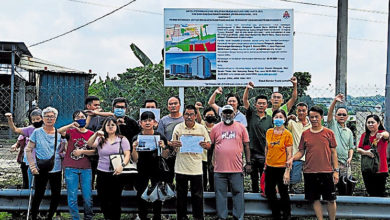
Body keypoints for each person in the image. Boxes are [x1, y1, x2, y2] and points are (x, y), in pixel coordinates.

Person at [287, 106, 339, 220]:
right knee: (314, 199)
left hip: (327, 171)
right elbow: (301, 152)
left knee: (330, 199)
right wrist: (292, 158)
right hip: (310, 172)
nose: (314, 119)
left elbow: (333, 152)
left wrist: (336, 171)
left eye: (316, 117)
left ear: (321, 117)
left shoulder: (329, 133)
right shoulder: (305, 134)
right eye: (311, 117)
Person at [87, 117, 137, 220]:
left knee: (115, 200)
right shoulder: (100, 139)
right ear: (104, 127)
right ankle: (107, 217)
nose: (110, 127)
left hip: (116, 173)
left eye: (113, 125)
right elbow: (90, 144)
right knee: (103, 199)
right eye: (108, 125)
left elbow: (127, 154)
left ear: (116, 127)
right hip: (102, 172)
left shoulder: (122, 139)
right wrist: (96, 134)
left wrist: (122, 166)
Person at [210, 105, 251, 220]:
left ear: (234, 114)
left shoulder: (241, 127)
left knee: (238, 194)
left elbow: (247, 146)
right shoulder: (215, 128)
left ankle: (238, 217)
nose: (227, 114)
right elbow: (211, 147)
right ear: (221, 114)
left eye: (230, 112)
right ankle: (222, 217)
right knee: (220, 195)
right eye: (225, 112)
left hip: (236, 169)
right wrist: (210, 163)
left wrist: (248, 163)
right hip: (219, 169)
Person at [171, 104, 211, 220]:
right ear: (183, 115)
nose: (189, 117)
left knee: (197, 196)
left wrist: (205, 145)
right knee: (181, 196)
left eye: (191, 114)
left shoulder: (201, 128)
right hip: (180, 167)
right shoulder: (178, 128)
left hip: (196, 168)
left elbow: (209, 144)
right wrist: (174, 144)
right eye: (187, 114)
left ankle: (198, 217)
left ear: (195, 116)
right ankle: (182, 217)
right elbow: (173, 146)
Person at [25, 107, 64, 220]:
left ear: (55, 119)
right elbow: (29, 149)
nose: (49, 119)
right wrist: (32, 166)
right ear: (42, 118)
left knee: (56, 194)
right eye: (47, 116)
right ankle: (34, 216)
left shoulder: (59, 133)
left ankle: (50, 216)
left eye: (52, 117)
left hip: (56, 168)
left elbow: (62, 150)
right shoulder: (37, 132)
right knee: (38, 194)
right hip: (41, 167)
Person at [59, 110, 95, 220]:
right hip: (70, 167)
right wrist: (71, 125)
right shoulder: (71, 132)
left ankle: (88, 217)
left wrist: (82, 152)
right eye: (77, 117)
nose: (80, 118)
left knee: (87, 196)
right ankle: (75, 218)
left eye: (82, 116)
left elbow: (95, 151)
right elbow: (59, 131)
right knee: (72, 195)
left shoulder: (91, 134)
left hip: (86, 167)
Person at [133, 111, 168, 220]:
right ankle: (143, 216)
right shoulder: (136, 137)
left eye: (150, 120)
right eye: (144, 120)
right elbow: (134, 159)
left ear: (155, 122)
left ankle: (157, 216)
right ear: (140, 123)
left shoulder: (160, 136)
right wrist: (134, 148)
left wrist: (164, 147)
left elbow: (165, 156)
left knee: (157, 193)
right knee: (141, 193)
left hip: (156, 169)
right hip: (141, 169)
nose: (147, 123)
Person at [243, 82, 273, 193]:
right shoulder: (251, 114)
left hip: (265, 153)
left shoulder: (270, 119)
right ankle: (255, 197)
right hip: (252, 153)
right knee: (254, 179)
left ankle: (265, 197)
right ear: (255, 104)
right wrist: (247, 89)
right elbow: (245, 101)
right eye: (259, 103)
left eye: (263, 103)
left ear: (267, 105)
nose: (261, 105)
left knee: (265, 178)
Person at [265, 109, 293, 220]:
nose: (278, 119)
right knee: (269, 191)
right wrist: (265, 164)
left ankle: (287, 215)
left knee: (283, 192)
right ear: (272, 119)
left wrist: (287, 171)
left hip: (282, 168)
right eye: (276, 117)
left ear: (285, 119)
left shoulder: (287, 134)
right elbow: (267, 148)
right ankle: (276, 214)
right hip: (270, 167)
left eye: (281, 117)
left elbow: (289, 154)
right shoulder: (269, 132)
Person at [5, 108, 43, 189]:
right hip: (32, 160)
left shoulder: (47, 129)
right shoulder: (30, 129)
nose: (36, 121)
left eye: (38, 119)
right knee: (31, 182)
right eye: (33, 120)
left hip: (44, 160)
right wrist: (10, 119)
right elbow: (15, 129)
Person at [327, 94, 355, 194]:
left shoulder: (349, 131)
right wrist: (335, 101)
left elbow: (351, 147)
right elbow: (329, 113)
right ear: (336, 116)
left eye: (344, 114)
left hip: (345, 164)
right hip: (332, 163)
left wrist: (350, 157)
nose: (342, 116)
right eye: (339, 114)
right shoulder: (332, 125)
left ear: (347, 116)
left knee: (345, 187)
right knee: (332, 188)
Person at [111, 97, 141, 190]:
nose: (120, 109)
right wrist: (115, 125)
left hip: (128, 159)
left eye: (122, 107)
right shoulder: (107, 122)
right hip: (111, 158)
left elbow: (138, 137)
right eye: (117, 107)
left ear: (126, 109)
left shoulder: (132, 123)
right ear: (113, 108)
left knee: (129, 185)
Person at [357, 115, 389, 197]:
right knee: (371, 192)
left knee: (380, 193)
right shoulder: (364, 135)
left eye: (373, 122)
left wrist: (381, 135)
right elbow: (358, 149)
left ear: (378, 123)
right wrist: (366, 152)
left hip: (380, 169)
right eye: (368, 122)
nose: (370, 124)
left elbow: (387, 135)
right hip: (368, 169)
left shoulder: (381, 134)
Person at [157, 96, 184, 185]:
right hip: (168, 153)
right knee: (168, 179)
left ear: (180, 105)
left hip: (183, 153)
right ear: (168, 106)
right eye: (170, 104)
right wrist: (169, 143)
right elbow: (159, 136)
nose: (173, 106)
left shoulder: (185, 119)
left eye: (175, 103)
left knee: (182, 179)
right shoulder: (163, 120)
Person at [286, 102, 311, 193]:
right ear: (296, 111)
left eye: (303, 110)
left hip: (309, 157)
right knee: (294, 180)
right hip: (296, 156)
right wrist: (288, 118)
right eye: (299, 110)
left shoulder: (311, 124)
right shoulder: (292, 123)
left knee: (309, 180)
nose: (301, 113)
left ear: (307, 111)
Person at [196, 106, 219, 192]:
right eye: (208, 115)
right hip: (202, 155)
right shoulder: (201, 125)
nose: (210, 117)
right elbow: (198, 119)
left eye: (212, 115)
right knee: (203, 176)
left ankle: (213, 191)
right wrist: (197, 109)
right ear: (204, 116)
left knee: (212, 175)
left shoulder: (217, 127)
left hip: (214, 156)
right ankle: (203, 191)